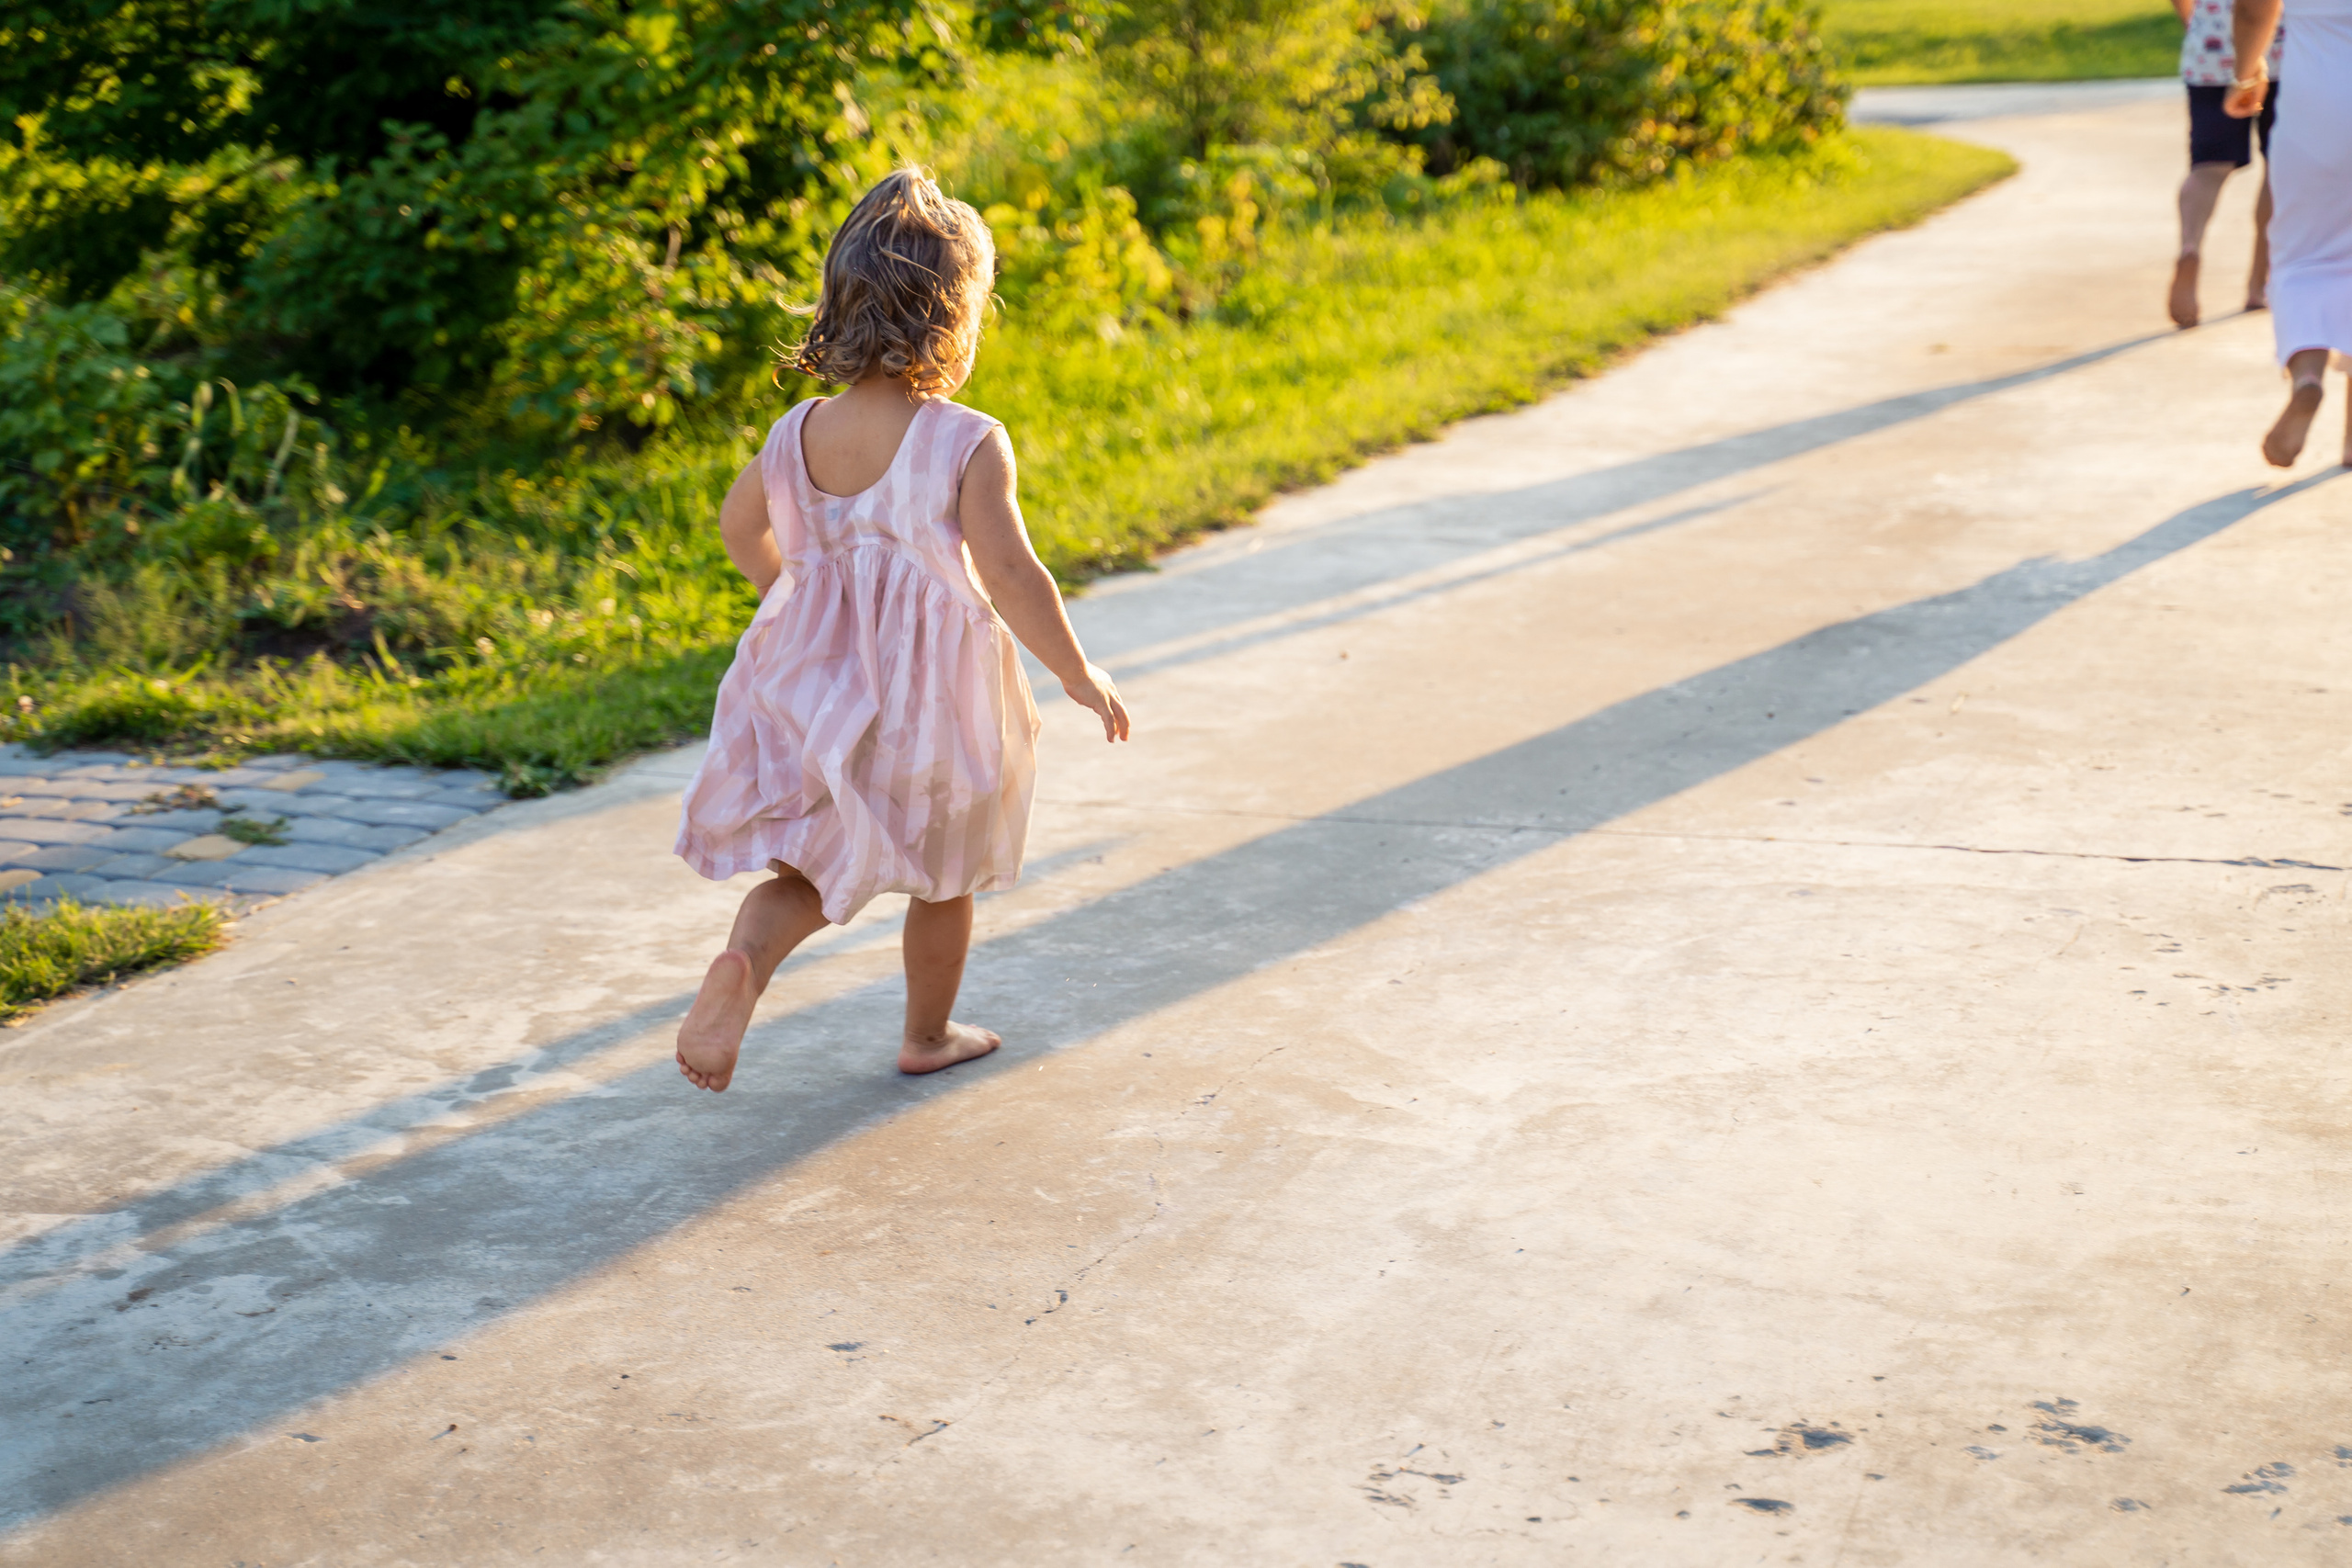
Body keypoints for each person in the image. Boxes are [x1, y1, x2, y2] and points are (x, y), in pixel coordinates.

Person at [671, 169, 1130, 1091]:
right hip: (930, 703)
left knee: (805, 869)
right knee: (941, 874)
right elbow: (1010, 574)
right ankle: (927, 1033)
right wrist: (1078, 674)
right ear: (956, 317)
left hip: (819, 689)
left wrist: (797, 598)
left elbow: (738, 529)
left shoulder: (796, 432)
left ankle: (745, 966)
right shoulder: (964, 439)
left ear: (838, 305)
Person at [2229, 0, 2352, 466]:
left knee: (2304, 257)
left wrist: (2246, 74)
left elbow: (2252, 10)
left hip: (2318, 111)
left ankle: (2307, 377)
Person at [2170, 0, 2281, 328]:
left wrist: (2194, 20)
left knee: (2208, 166)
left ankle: (2189, 246)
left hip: (2211, 50)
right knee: (2278, 168)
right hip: (2280, 51)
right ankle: (2258, 282)